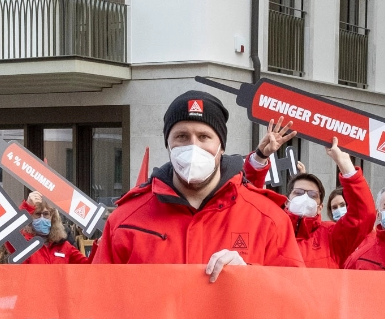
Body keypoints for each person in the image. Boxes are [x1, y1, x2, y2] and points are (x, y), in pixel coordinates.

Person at [93, 92, 304, 277]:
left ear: (221, 146)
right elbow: (99, 303)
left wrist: (250, 278)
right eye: (182, 136)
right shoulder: (125, 220)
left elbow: (296, 300)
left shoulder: (268, 219)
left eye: (204, 137)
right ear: (168, 144)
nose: (193, 147)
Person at [278, 143, 374, 270]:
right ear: (287, 201)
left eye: (312, 195)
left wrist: (346, 166)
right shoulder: (272, 230)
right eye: (298, 193)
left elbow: (363, 215)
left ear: (320, 207)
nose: (305, 198)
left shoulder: (331, 236)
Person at [22, 198, 88, 264]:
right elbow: (13, 231)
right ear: (30, 217)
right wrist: (26, 206)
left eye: (46, 214)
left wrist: (97, 245)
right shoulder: (24, 244)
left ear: (52, 217)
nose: (42, 218)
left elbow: (89, 266)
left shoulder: (64, 246)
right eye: (38, 214)